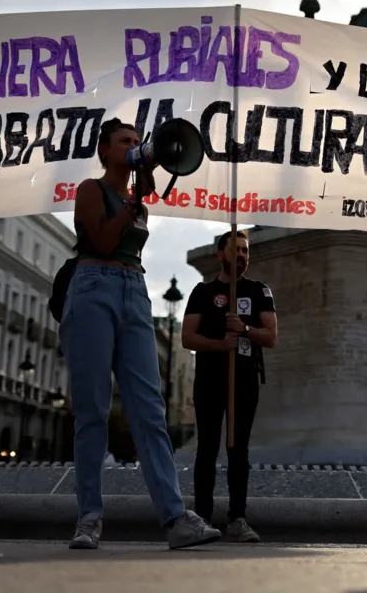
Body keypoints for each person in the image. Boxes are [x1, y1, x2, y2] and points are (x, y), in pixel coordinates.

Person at [59, 117, 219, 551]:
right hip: (94, 286)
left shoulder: (139, 203)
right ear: (106, 152)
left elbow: (128, 247)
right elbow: (104, 242)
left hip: (134, 290)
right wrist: (132, 203)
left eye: (136, 140)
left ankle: (175, 518)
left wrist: (138, 197)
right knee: (92, 410)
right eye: (125, 141)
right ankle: (89, 517)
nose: (134, 146)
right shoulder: (91, 191)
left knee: (149, 409)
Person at [181, 229, 277, 543]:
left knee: (239, 449)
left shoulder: (259, 291)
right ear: (219, 255)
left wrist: (245, 329)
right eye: (235, 250)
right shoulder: (203, 292)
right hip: (210, 379)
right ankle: (203, 516)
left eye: (245, 251)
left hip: (245, 379)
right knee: (206, 448)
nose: (241, 256)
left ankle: (237, 517)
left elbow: (271, 336)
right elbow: (187, 337)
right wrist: (221, 345)